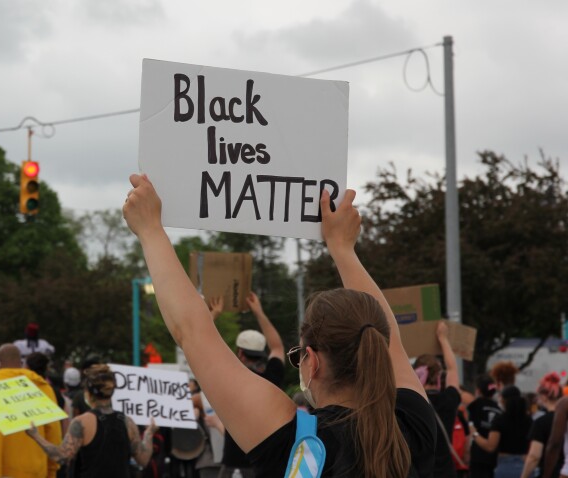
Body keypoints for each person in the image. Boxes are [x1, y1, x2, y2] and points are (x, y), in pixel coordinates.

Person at [122, 175, 437, 477]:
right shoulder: (412, 425)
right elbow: (388, 337)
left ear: (312, 361)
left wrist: (150, 230)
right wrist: (343, 248)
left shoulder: (295, 443)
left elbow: (192, 331)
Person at [27, 363, 158, 477]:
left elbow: (62, 456)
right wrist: (149, 434)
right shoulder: (127, 422)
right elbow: (143, 459)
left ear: (88, 393)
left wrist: (36, 436)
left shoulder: (82, 423)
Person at [209, 291, 285, 478]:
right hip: (262, 465)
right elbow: (277, 346)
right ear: (260, 353)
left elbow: (204, 344)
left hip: (232, 465)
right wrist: (259, 312)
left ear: (240, 353)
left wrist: (213, 315)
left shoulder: (229, 376)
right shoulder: (272, 377)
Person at [0, 343, 61, 478]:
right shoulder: (42, 387)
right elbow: (53, 433)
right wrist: (52, 470)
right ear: (21, 363)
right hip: (35, 470)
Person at [414, 323, 462, 478]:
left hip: (421, 472)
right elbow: (453, 369)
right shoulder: (449, 399)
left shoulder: (412, 404)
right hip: (447, 472)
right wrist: (443, 339)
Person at [472, 385, 532, 478]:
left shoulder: (500, 420)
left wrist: (474, 434)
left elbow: (490, 446)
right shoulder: (529, 420)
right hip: (525, 465)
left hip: (505, 465)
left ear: (504, 401)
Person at [520, 373, 562, 478]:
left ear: (543, 397)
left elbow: (534, 456)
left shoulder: (541, 422)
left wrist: (524, 476)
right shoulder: (564, 420)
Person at [468, 375, 502, 478]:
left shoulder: (474, 405)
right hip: (493, 457)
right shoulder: (499, 409)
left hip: (477, 455)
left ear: (478, 390)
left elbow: (470, 427)